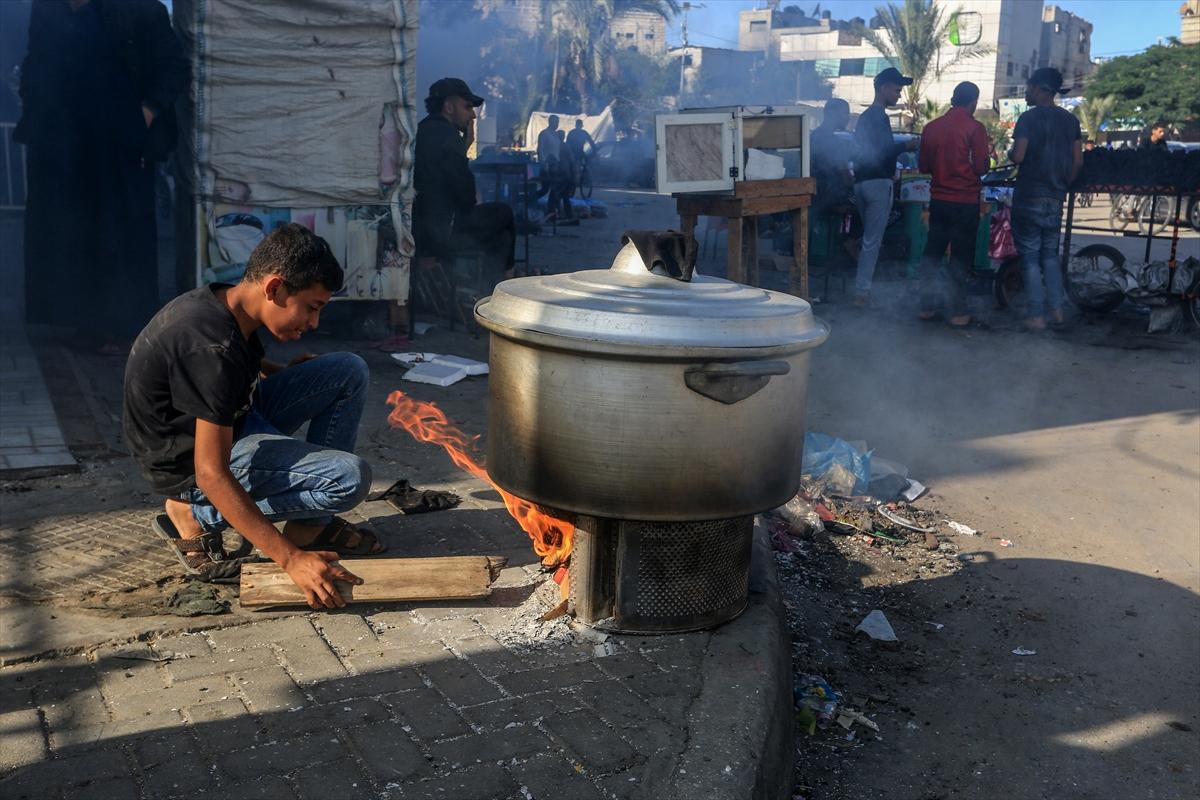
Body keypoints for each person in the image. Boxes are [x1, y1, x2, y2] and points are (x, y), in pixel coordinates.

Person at [123, 224, 382, 607]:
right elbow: (212, 472)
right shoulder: (212, 347)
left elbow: (238, 366)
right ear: (275, 288)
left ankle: (311, 526)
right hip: (189, 464)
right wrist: (289, 560)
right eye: (312, 308)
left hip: (236, 415)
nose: (314, 324)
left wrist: (285, 373)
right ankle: (195, 513)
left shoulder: (229, 301)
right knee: (348, 479)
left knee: (346, 369)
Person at [16, 0, 188, 352]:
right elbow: (38, 62)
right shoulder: (49, 10)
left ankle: (125, 325)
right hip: (64, 144)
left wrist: (147, 112)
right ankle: (84, 319)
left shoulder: (139, 10)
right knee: (73, 232)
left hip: (120, 144)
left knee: (120, 232)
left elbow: (172, 66)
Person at [413, 77, 516, 289]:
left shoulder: (422, 130)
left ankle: (487, 287)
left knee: (502, 238)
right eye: (467, 106)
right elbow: (466, 197)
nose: (473, 115)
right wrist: (464, 146)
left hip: (424, 229)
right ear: (448, 107)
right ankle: (506, 285)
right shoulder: (448, 136)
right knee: (504, 213)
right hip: (440, 233)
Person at [1009, 67, 1082, 331]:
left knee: (1029, 257)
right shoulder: (1071, 121)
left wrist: (1009, 152)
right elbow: (1077, 162)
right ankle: (1058, 311)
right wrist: (1063, 184)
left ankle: (1037, 316)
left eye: (1029, 87)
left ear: (1040, 88)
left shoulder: (1028, 119)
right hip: (1055, 196)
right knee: (1050, 256)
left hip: (1029, 195)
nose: (1026, 92)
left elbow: (1018, 156)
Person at [916, 82, 990, 328]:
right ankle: (958, 312)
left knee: (933, 252)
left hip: (939, 200)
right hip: (966, 202)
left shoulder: (932, 127)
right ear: (973, 102)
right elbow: (981, 168)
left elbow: (924, 166)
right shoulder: (975, 128)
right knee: (960, 257)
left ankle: (925, 307)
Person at [852, 67, 920, 307]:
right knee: (873, 240)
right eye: (896, 89)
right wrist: (906, 146)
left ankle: (861, 281)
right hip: (878, 183)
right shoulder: (879, 116)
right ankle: (862, 293)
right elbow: (881, 150)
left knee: (868, 238)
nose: (899, 95)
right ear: (883, 89)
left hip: (861, 183)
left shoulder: (864, 118)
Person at [810, 98, 855, 216]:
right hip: (830, 202)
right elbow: (844, 173)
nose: (848, 117)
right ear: (831, 114)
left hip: (815, 199)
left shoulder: (813, 136)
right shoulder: (834, 142)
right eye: (845, 113)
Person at [566, 119, 596, 185]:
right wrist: (569, 153)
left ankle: (585, 178)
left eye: (580, 125)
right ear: (576, 125)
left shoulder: (584, 133)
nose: (579, 127)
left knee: (587, 163)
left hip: (580, 152)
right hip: (572, 152)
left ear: (581, 126)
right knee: (573, 166)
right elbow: (567, 144)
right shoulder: (571, 133)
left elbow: (591, 141)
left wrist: (594, 150)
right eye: (578, 125)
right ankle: (572, 179)